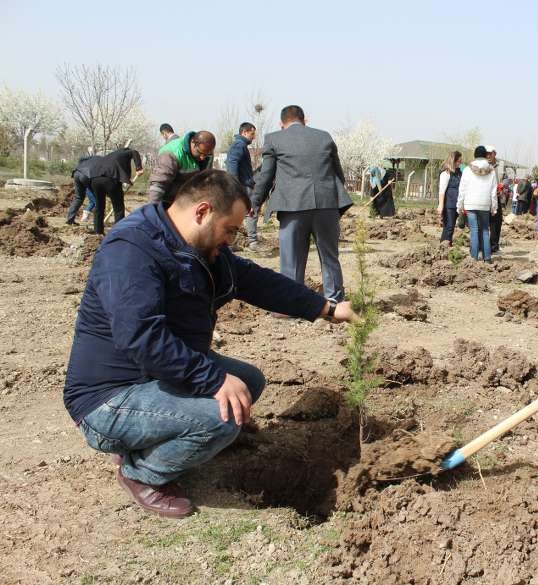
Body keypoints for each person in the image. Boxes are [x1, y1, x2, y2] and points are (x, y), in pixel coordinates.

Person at [63, 170, 357, 518]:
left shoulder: (198, 247)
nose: (231, 240)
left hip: (150, 377)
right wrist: (213, 380)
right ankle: (141, 474)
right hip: (109, 397)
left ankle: (150, 437)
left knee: (248, 382)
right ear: (202, 212)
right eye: (230, 230)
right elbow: (141, 336)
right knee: (222, 419)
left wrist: (327, 308)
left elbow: (255, 281)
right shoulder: (131, 250)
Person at [251, 105, 352, 301]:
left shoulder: (274, 139)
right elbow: (338, 173)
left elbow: (266, 176)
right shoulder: (324, 136)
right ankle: (334, 301)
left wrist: (255, 203)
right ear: (305, 120)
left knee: (292, 259)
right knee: (329, 256)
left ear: (282, 124)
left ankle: (292, 303)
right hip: (327, 205)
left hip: (292, 206)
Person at [88, 146, 144, 234]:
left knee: (99, 206)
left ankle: (98, 231)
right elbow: (135, 152)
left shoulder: (112, 155)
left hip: (95, 179)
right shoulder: (126, 152)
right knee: (118, 208)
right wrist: (139, 168)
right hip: (110, 179)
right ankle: (118, 232)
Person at [148, 131, 216, 204]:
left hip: (186, 200)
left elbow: (204, 181)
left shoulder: (206, 153)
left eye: (206, 155)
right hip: (167, 201)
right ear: (193, 142)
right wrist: (153, 209)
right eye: (200, 153)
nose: (202, 158)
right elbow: (158, 185)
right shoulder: (171, 153)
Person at [456, 146, 498, 262]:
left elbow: (462, 189)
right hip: (485, 204)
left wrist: (459, 205)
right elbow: (493, 191)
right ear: (485, 155)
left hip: (470, 204)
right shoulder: (491, 170)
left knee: (474, 230)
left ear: (474, 155)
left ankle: (474, 258)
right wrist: (494, 207)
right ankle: (487, 258)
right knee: (485, 230)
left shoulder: (468, 170)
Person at [226, 122, 262, 250]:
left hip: (242, 184)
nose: (254, 137)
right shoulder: (239, 145)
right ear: (244, 132)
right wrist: (234, 185)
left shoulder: (240, 145)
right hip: (242, 185)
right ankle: (252, 242)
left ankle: (230, 243)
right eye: (252, 134)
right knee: (250, 212)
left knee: (238, 213)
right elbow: (232, 164)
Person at [437, 150, 463, 244]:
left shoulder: (459, 173)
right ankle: (445, 245)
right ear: (453, 160)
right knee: (449, 226)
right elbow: (442, 191)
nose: (460, 163)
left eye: (460, 161)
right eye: (458, 161)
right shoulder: (446, 174)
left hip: (456, 204)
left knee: (450, 227)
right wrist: (440, 205)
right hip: (449, 204)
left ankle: (445, 244)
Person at [65, 152, 97, 226]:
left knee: (78, 198)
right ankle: (97, 222)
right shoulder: (95, 160)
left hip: (76, 173)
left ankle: (70, 220)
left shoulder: (84, 159)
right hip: (86, 174)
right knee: (97, 200)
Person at [484, 145, 504, 253]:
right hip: (485, 198)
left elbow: (507, 178)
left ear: (494, 154)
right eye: (486, 154)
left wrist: (502, 185)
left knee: (496, 222)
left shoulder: (500, 166)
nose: (488, 156)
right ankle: (484, 245)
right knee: (484, 222)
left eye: (490, 153)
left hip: (497, 197)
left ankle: (494, 245)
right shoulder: (483, 165)